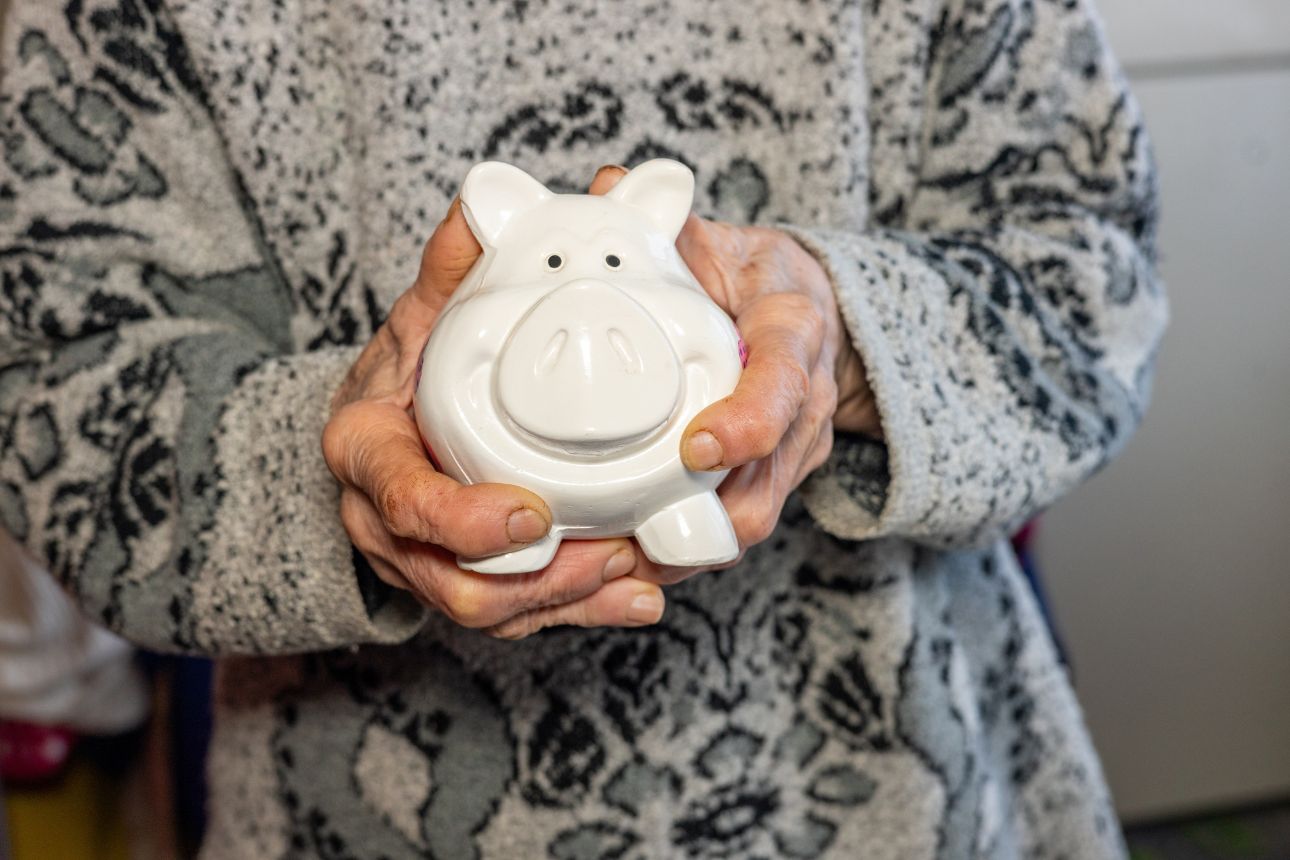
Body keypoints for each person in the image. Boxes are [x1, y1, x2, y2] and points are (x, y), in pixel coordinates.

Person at [0, 0, 1167, 856]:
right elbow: (53, 378)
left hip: (907, 787)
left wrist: (844, 345)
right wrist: (347, 464)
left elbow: (1096, 276)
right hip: (359, 801)